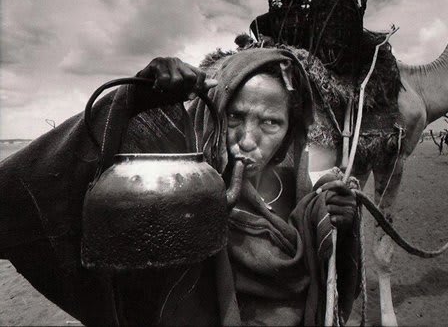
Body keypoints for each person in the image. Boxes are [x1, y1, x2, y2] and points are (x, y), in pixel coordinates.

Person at [0, 48, 361, 325]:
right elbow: (64, 191)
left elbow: (330, 280)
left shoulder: (303, 193)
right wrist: (135, 101)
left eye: (270, 122)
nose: (247, 140)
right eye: (234, 116)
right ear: (214, 111)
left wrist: (339, 224)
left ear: (289, 130)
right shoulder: (185, 190)